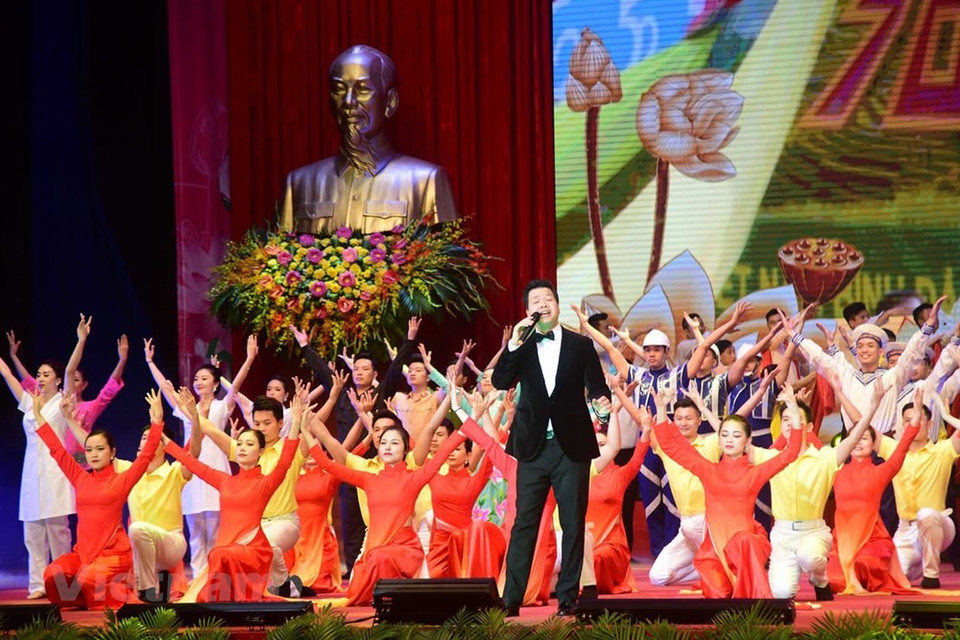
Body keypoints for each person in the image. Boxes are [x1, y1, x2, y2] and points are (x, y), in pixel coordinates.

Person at [491, 279, 611, 616]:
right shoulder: (522, 345)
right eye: (535, 300)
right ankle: (511, 599)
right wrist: (513, 344)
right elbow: (500, 382)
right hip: (532, 446)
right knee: (524, 523)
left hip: (571, 445)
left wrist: (603, 406)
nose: (542, 304)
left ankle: (569, 598)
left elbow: (599, 389)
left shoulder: (579, 345)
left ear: (557, 305)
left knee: (573, 523)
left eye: (548, 299)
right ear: (527, 310)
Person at [280, 44, 457, 234]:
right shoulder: (300, 183)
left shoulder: (425, 181)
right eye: (339, 89)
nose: (348, 101)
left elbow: (447, 258)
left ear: (390, 102)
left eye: (362, 90)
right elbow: (279, 252)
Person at [650, 389, 802, 598]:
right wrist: (660, 408)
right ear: (719, 439)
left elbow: (791, 452)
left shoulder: (755, 472)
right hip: (715, 554)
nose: (730, 440)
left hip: (744, 550)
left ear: (748, 441)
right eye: (725, 434)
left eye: (737, 435)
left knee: (744, 542)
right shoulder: (708, 470)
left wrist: (794, 411)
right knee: (718, 597)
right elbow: (669, 446)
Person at [303, 419, 467, 606]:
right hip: (375, 547)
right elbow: (327, 464)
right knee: (365, 571)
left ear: (406, 450)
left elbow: (441, 454)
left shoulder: (413, 478)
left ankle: (390, 600)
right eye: (383, 442)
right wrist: (304, 430)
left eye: (395, 442)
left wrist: (470, 421)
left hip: (405, 550)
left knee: (379, 558)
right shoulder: (369, 479)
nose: (388, 447)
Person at [160, 392, 306, 602]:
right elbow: (192, 463)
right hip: (228, 546)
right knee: (217, 555)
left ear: (261, 451)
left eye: (249, 445)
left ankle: (282, 587)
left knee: (220, 555)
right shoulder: (225, 480)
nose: (242, 448)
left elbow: (285, 461)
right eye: (240, 444)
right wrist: (174, 431)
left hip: (256, 545)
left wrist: (297, 422)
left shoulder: (265, 482)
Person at [36, 389, 164, 609]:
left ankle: (110, 596)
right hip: (83, 554)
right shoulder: (80, 477)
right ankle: (87, 598)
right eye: (89, 450)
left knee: (88, 579)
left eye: (100, 449)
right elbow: (57, 450)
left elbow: (146, 457)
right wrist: (38, 415)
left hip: (113, 554)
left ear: (112, 452)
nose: (93, 454)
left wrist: (157, 421)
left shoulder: (122, 480)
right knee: (52, 575)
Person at [144, 335, 257, 577]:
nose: (198, 382)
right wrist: (150, 362)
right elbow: (166, 388)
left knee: (216, 529)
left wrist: (248, 358)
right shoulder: (188, 408)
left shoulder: (221, 406)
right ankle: (198, 577)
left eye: (204, 378)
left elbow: (235, 387)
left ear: (215, 384)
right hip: (192, 470)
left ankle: (218, 576)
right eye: (196, 378)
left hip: (216, 469)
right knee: (196, 531)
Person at [0, 315, 91, 599]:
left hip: (55, 471)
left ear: (57, 379)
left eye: (45, 374)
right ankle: (38, 585)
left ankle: (64, 586)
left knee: (57, 532)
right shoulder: (29, 402)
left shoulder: (65, 400)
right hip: (32, 473)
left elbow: (73, 366)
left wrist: (81, 339)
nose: (39, 378)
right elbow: (7, 375)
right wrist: (8, 358)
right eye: (38, 374)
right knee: (32, 533)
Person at [827, 407, 921, 594]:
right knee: (834, 582)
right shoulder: (835, 471)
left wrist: (915, 422)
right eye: (855, 438)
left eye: (864, 438)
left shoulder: (880, 472)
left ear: (873, 444)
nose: (858, 442)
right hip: (843, 540)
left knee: (866, 563)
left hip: (873, 538)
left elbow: (901, 450)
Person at [9, 330, 129, 464]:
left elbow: (108, 391)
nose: (71, 382)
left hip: (80, 462)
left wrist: (122, 361)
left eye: (76, 380)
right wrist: (14, 357)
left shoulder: (89, 407)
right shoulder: (54, 401)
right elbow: (30, 382)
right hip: (56, 459)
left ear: (84, 385)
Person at [878, 395, 960, 588]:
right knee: (893, 581)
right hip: (905, 529)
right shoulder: (894, 449)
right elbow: (862, 429)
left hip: (939, 523)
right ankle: (917, 565)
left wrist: (946, 416)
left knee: (926, 515)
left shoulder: (943, 449)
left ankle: (931, 575)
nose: (912, 424)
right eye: (907, 420)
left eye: (918, 419)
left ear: (930, 424)